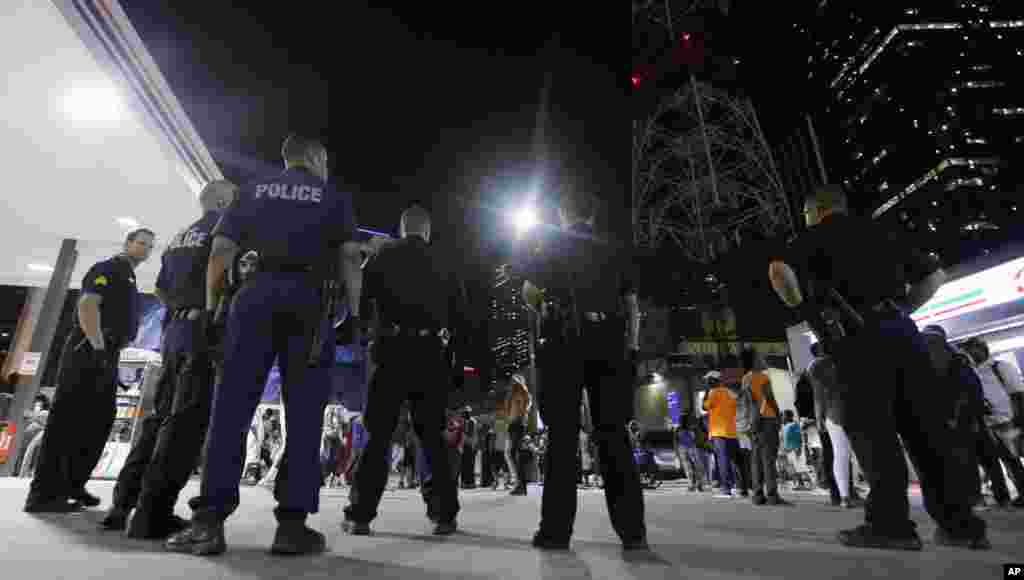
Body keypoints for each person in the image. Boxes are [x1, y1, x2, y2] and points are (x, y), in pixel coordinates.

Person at [165, 134, 363, 557]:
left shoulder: (252, 190)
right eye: (325, 158)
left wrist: (215, 305)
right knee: (306, 413)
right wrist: (355, 314)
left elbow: (220, 249)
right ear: (315, 156)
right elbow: (349, 257)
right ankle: (292, 527)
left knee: (231, 407)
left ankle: (208, 522)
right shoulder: (334, 197)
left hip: (253, 298)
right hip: (310, 302)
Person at [768, 184, 988, 550]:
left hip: (857, 341)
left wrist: (799, 304)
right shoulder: (880, 230)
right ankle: (961, 525)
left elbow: (779, 272)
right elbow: (935, 277)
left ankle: (891, 525)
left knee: (874, 435)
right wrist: (901, 312)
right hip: (905, 335)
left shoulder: (811, 238)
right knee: (927, 434)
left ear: (815, 211)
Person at [101, 180, 236, 538]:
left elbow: (160, 287)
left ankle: (122, 505)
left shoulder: (181, 236)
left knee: (158, 419)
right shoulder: (224, 227)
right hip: (201, 333)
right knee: (185, 424)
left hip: (174, 333)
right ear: (223, 200)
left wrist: (179, 308)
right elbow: (221, 272)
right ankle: (152, 514)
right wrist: (209, 313)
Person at [518, 187, 646, 551]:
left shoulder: (551, 246)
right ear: (591, 215)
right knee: (613, 436)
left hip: (563, 344)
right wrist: (632, 349)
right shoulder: (614, 248)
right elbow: (633, 305)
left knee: (561, 438)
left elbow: (528, 290)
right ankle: (632, 532)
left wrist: (544, 307)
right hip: (609, 342)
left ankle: (556, 532)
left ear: (562, 214)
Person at [341, 204, 464, 536]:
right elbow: (460, 313)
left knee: (379, 435)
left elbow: (364, 300)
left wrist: (368, 331)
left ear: (400, 228)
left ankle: (360, 514)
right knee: (432, 437)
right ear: (426, 231)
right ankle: (443, 515)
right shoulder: (444, 260)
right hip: (429, 354)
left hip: (391, 351)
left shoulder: (383, 257)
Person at [25, 228, 154, 513]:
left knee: (99, 420)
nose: (145, 250)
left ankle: (73, 483)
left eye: (150, 247)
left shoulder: (129, 277)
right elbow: (87, 306)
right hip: (88, 350)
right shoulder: (107, 268)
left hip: (107, 352)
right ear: (128, 243)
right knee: (66, 421)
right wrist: (96, 347)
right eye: (141, 244)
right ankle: (43, 494)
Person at [806, 341, 861, 509]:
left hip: (834, 413)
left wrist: (819, 417)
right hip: (855, 410)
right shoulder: (845, 359)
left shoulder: (816, 366)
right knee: (861, 454)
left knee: (840, 453)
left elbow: (819, 396)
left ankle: (844, 496)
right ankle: (874, 493)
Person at [741, 348, 785, 505]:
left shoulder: (745, 378)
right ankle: (772, 495)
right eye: (759, 357)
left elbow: (747, 402)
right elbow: (770, 398)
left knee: (756, 460)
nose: (762, 359)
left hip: (754, 422)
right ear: (754, 360)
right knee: (768, 459)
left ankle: (758, 495)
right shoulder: (762, 377)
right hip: (767, 419)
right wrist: (778, 415)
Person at [702, 371, 740, 498]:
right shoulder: (730, 392)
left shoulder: (714, 392)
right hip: (731, 431)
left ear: (713, 381)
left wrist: (707, 391)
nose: (706, 383)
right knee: (731, 460)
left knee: (722, 460)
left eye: (708, 381)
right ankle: (736, 487)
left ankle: (725, 489)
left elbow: (705, 406)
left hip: (719, 431)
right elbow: (735, 409)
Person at [505, 374, 532, 496]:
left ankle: (521, 485)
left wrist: (519, 383)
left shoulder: (523, 392)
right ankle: (520, 484)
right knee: (513, 453)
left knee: (516, 453)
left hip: (518, 423)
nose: (512, 383)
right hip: (513, 423)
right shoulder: (514, 394)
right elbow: (508, 408)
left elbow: (526, 402)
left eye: (514, 381)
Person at [460, 406, 479, 489]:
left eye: (464, 413)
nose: (463, 415)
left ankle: (469, 483)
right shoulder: (467, 421)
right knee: (465, 465)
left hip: (469, 445)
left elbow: (469, 434)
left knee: (468, 465)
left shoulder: (471, 421)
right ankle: (466, 482)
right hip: (467, 445)